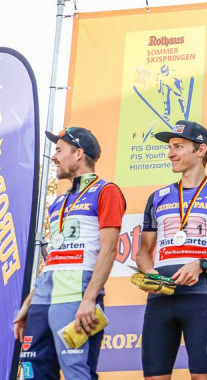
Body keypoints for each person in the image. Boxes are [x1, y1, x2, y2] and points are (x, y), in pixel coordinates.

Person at [135, 120, 207, 379]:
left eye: (178, 146)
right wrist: (149, 271)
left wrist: (201, 264)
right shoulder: (158, 197)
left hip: (199, 298)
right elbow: (143, 251)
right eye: (170, 147)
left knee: (204, 377)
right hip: (159, 299)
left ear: (201, 150)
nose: (170, 153)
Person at [14, 127, 126, 380]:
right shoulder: (59, 201)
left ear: (78, 154)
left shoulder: (106, 191)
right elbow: (54, 257)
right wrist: (29, 303)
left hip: (76, 293)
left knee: (78, 373)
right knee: (33, 371)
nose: (54, 157)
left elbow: (108, 249)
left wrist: (89, 298)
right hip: (45, 296)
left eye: (59, 150)